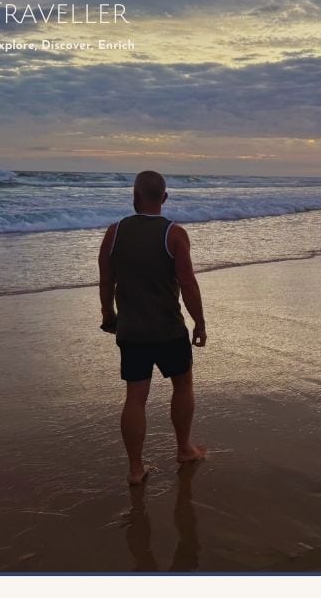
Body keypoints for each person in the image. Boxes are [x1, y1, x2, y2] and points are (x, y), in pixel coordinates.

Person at [98, 170, 207, 485]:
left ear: (134, 197)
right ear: (164, 198)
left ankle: (135, 469)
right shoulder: (174, 234)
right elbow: (187, 283)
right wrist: (199, 321)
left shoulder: (114, 232)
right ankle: (184, 448)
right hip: (169, 329)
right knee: (183, 385)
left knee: (135, 396)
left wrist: (109, 314)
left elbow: (107, 280)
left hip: (131, 330)